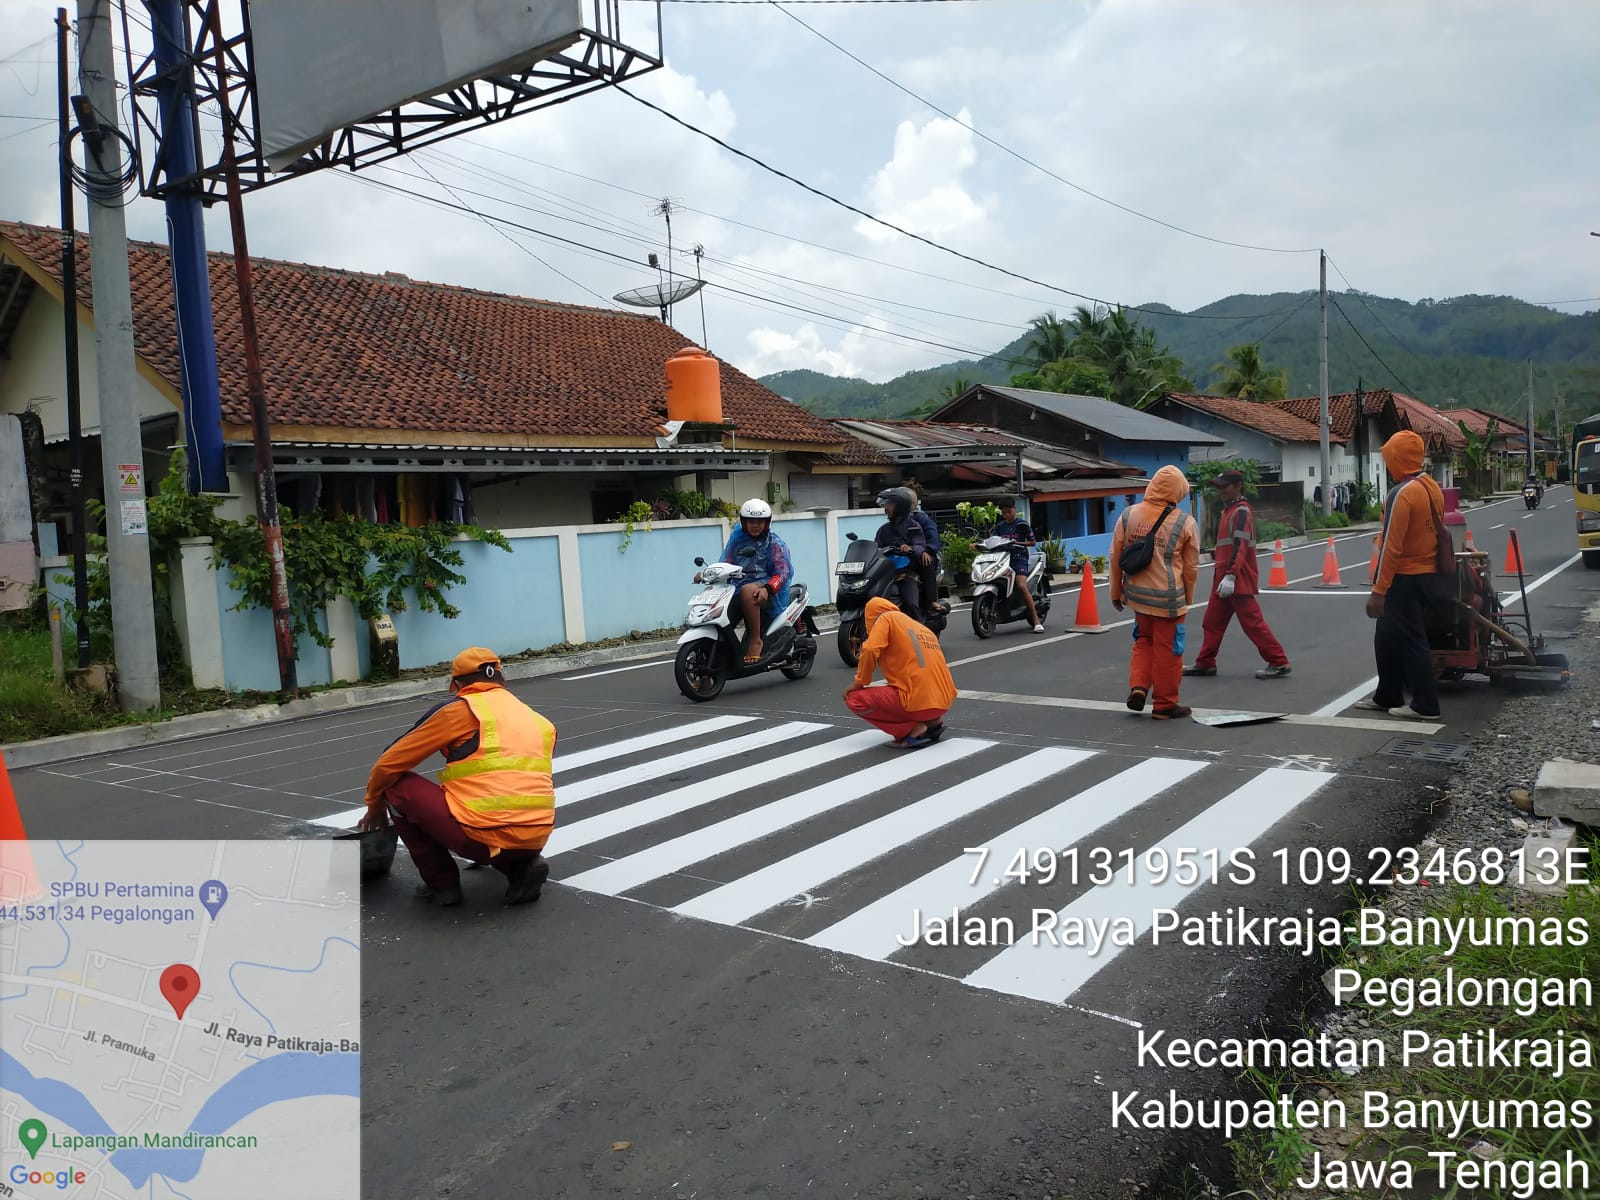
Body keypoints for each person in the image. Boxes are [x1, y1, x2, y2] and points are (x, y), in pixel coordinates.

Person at [358, 647, 556, 907]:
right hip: (537, 835)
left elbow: (388, 763)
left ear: (457, 685)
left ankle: (442, 885)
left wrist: (374, 806)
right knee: (499, 819)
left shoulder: (460, 710)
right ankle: (520, 867)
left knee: (395, 785)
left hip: (481, 836)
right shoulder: (539, 720)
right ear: (501, 679)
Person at [1357, 431, 1447, 720]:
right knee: (1386, 636)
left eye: (1389, 457)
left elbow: (1391, 546)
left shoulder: (1403, 493)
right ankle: (1388, 694)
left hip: (1405, 577)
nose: (1387, 463)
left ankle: (1425, 704)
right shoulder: (1431, 487)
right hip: (1427, 574)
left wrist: (1379, 590)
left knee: (1411, 639)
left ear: (1397, 458)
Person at [1109, 465, 1200, 720]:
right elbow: (1191, 567)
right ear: (1178, 491)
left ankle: (1139, 687)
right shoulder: (1185, 522)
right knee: (1169, 650)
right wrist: (1187, 597)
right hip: (1168, 599)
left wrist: (1116, 592)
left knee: (1143, 641)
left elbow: (1115, 555)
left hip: (1137, 596)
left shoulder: (1129, 515)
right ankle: (1164, 704)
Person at [1184, 469, 1291, 680]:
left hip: (1236, 579)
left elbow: (1239, 545)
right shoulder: (1229, 511)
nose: (1220, 490)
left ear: (1238, 486)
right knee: (1212, 622)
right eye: (1218, 487)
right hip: (1223, 578)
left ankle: (1279, 661)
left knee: (1253, 624)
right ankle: (1205, 663)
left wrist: (1231, 575)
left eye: (1224, 486)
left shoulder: (1241, 512)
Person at [844, 596, 957, 747]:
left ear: (870, 617)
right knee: (909, 686)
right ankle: (932, 722)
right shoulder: (919, 627)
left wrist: (860, 682)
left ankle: (911, 729)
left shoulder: (885, 618)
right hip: (943, 702)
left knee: (853, 699)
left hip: (917, 703)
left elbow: (870, 649)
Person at [701, 498, 792, 663]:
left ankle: (756, 640)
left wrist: (767, 588)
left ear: (767, 523)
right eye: (751, 521)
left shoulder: (774, 543)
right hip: (735, 589)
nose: (755, 525)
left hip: (765, 591)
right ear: (744, 522)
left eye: (760, 521)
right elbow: (725, 563)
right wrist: (706, 574)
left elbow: (783, 572)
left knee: (748, 590)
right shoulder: (736, 540)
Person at [992, 497, 1045, 633]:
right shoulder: (999, 526)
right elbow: (992, 540)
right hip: (1003, 560)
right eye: (1003, 513)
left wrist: (1018, 543)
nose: (1006, 515)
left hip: (1019, 558)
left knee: (1021, 586)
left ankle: (1036, 621)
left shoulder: (1022, 525)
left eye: (1008, 512)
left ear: (1014, 509)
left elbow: (1032, 542)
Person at [874, 487, 927, 619]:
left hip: (906, 573)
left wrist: (910, 548)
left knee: (911, 604)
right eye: (886, 504)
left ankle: (920, 630)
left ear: (900, 506)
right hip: (887, 574)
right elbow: (876, 547)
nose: (886, 508)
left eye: (890, 504)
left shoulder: (913, 526)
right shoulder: (883, 530)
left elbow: (920, 545)